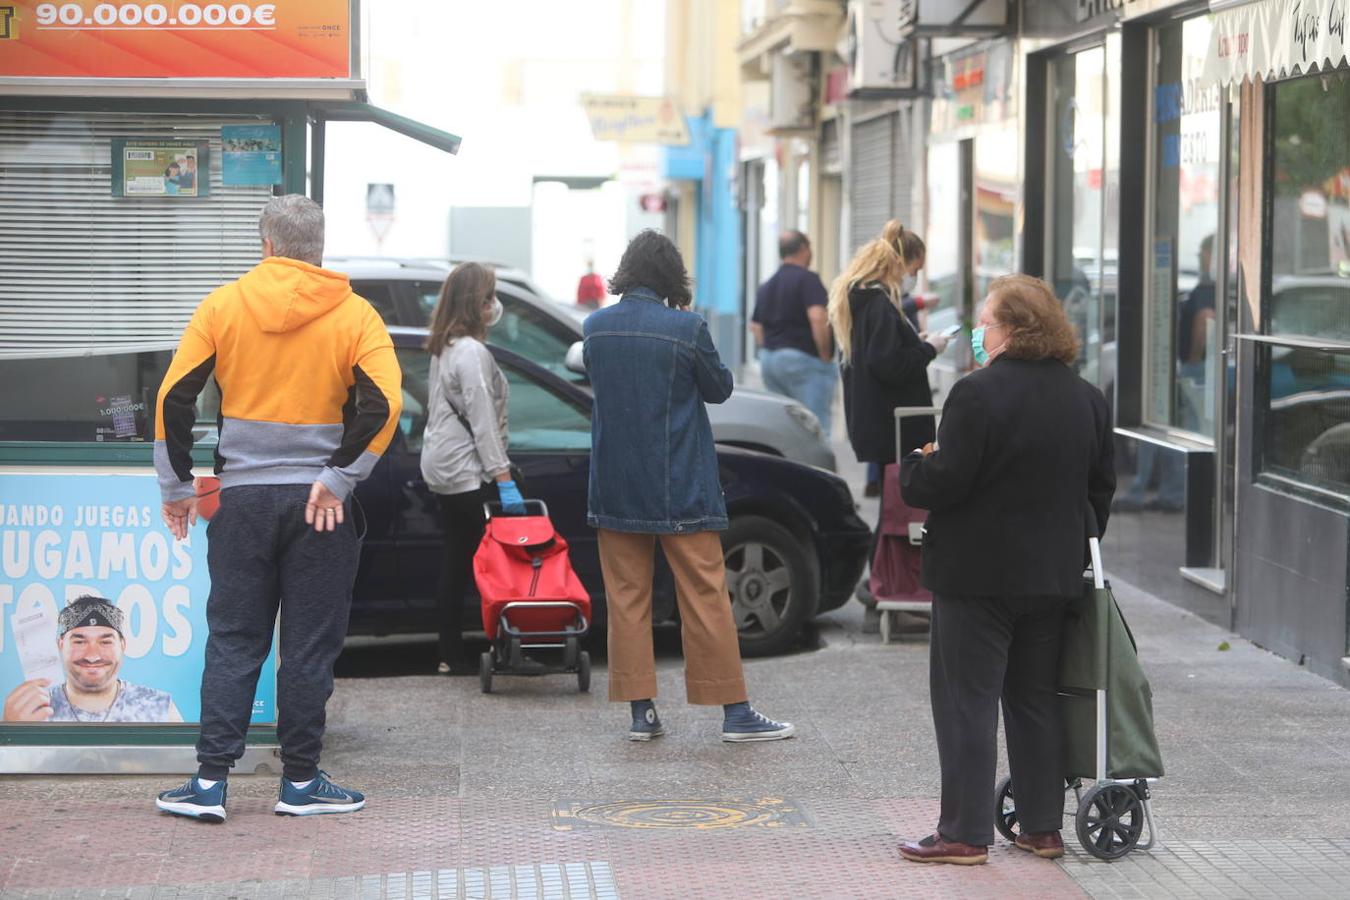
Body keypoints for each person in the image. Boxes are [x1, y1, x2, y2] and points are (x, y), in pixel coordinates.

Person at [152, 194, 402, 823]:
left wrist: (176, 486)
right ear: (317, 249)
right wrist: (338, 478)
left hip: (241, 502)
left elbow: (173, 398)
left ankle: (209, 785)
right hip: (320, 506)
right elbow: (384, 406)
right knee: (310, 647)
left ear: (265, 245)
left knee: (235, 639)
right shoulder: (355, 314)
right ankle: (299, 783)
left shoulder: (223, 305)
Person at [897, 274, 1115, 866]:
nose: (977, 332)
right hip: (1052, 578)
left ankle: (965, 833)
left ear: (1012, 328)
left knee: (968, 702)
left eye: (985, 322)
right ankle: (1042, 828)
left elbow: (947, 481)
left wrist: (915, 465)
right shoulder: (1087, 398)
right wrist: (1068, 540)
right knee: (1033, 700)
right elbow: (1100, 491)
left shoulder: (976, 395)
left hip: (976, 579)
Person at [583, 229, 794, 743]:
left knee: (627, 598)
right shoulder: (686, 327)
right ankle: (734, 712)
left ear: (627, 272)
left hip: (615, 485)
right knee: (705, 594)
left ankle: (641, 713)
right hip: (679, 483)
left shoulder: (595, 328)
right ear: (671, 277)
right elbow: (719, 388)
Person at [420, 261, 526, 676]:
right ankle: (508, 649)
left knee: (458, 556)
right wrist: (504, 480)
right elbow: (482, 422)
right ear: (475, 303)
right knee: (500, 561)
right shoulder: (472, 353)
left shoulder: (445, 346)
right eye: (489, 297)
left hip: (443, 466)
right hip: (467, 470)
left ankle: (452, 653)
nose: (494, 305)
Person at [2, 596, 182, 723]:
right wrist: (10, 732)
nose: (92, 655)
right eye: (80, 641)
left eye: (105, 641)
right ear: (61, 644)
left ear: (123, 645)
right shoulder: (31, 710)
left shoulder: (158, 708)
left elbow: (183, 770)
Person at [750, 230, 836, 435]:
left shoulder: (767, 285)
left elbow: (755, 326)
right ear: (804, 249)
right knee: (814, 428)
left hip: (771, 361)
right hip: (803, 360)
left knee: (785, 428)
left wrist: (771, 351)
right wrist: (825, 355)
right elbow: (818, 317)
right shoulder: (808, 280)